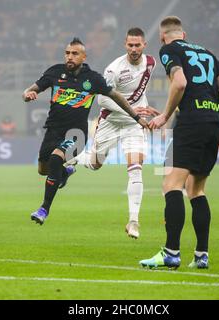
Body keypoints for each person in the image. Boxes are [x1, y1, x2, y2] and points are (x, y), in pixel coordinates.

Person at [139, 16, 219, 269]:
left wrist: (164, 115)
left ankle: (171, 252)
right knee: (196, 190)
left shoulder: (169, 50)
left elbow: (180, 83)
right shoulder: (207, 53)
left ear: (163, 37)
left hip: (191, 122)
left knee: (171, 185)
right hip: (213, 123)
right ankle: (201, 255)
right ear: (184, 34)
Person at [22, 38, 149, 226]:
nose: (69, 57)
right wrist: (28, 94)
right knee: (44, 170)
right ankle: (63, 174)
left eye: (74, 53)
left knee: (56, 158)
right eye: (67, 53)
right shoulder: (55, 72)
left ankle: (44, 209)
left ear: (83, 57)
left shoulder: (93, 79)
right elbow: (31, 89)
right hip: (52, 131)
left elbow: (116, 97)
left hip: (76, 134)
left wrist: (137, 118)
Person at [66, 28, 160, 239]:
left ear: (144, 45)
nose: (134, 49)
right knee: (95, 164)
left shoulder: (151, 63)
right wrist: (131, 109)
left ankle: (134, 221)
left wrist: (142, 108)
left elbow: (140, 92)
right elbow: (103, 100)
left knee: (135, 168)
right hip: (110, 121)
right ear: (125, 45)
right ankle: (74, 159)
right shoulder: (114, 69)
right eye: (130, 45)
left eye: (138, 45)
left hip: (134, 125)